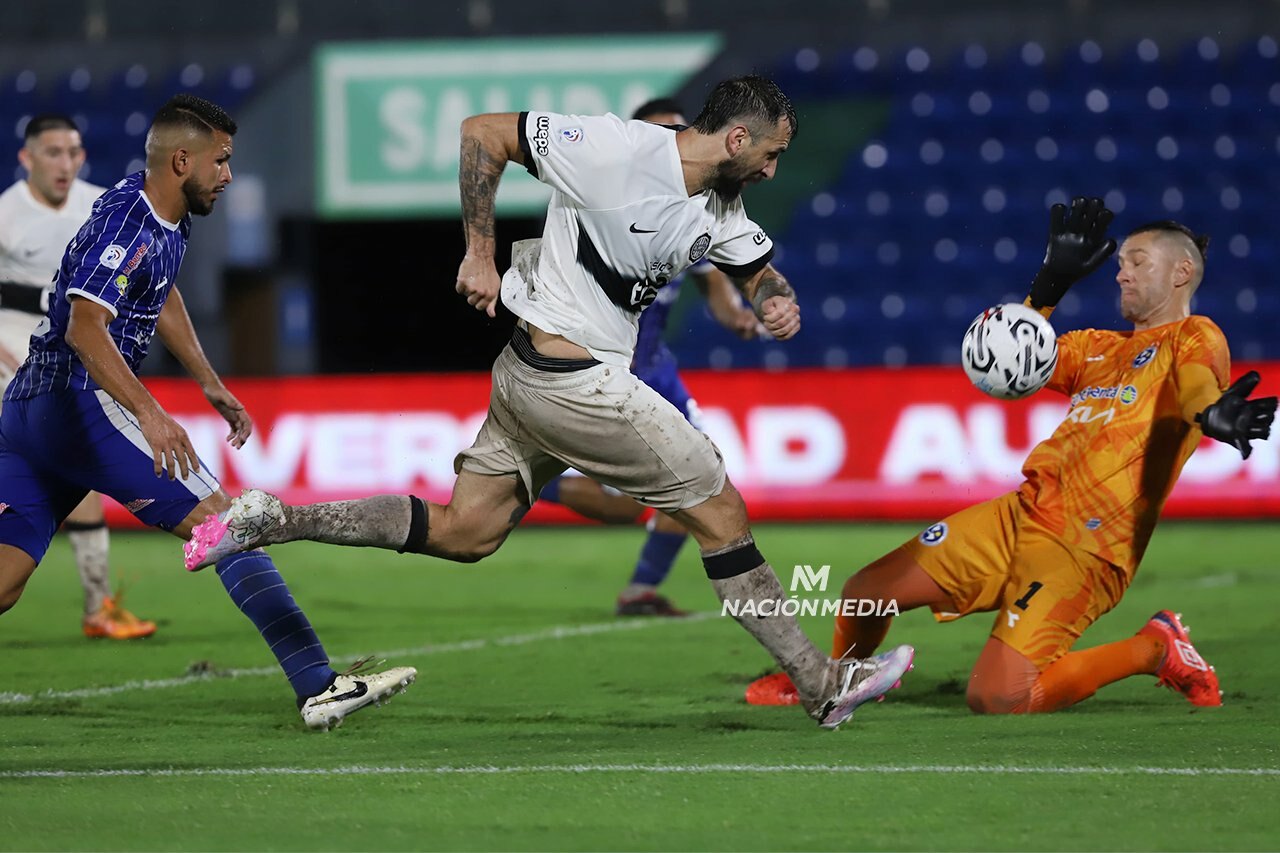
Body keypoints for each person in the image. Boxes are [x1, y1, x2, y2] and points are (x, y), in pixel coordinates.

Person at [185, 76, 916, 729]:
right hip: (572, 379)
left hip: (528, 377)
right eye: (771, 153)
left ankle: (275, 518)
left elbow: (757, 271)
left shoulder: (719, 200)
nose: (773, 167)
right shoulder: (613, 148)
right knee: (720, 511)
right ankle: (820, 682)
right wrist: (479, 250)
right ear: (735, 137)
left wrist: (776, 299)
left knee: (465, 531)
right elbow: (483, 131)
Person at [746, 198, 1276, 714]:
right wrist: (1048, 287)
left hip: (1085, 547)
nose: (1122, 274)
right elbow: (1009, 358)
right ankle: (833, 680)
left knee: (999, 696)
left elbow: (1195, 389)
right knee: (865, 592)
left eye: (1138, 262)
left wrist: (1212, 415)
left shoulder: (1193, 336)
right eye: (1119, 264)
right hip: (1021, 514)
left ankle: (1156, 647)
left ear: (1182, 271)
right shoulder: (1097, 346)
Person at [0, 94, 414, 730]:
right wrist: (151, 413)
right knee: (228, 524)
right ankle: (319, 684)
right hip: (78, 407)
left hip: (27, 410)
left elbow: (158, 294)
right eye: (220, 161)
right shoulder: (126, 225)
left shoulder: (158, 213)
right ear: (182, 160)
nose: (228, 174)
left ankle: (319, 682)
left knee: (7, 578)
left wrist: (209, 383)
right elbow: (87, 328)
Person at [537, 97, 761, 617]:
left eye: (676, 134)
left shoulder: (695, 214)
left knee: (706, 478)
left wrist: (742, 317)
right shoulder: (603, 207)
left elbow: (717, 292)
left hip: (658, 370)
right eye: (655, 136)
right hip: (607, 369)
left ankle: (640, 590)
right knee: (624, 507)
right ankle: (537, 485)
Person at [0, 114, 155, 640]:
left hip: (66, 363)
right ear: (26, 158)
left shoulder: (103, 205)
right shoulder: (5, 215)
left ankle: (97, 606)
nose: (66, 163)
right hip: (9, 363)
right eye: (52, 153)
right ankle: (97, 607)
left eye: (73, 152)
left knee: (76, 476)